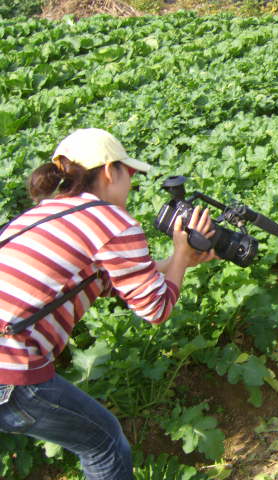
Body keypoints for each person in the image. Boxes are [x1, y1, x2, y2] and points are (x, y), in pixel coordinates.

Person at [0, 128, 217, 479]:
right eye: (129, 172)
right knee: (104, 442)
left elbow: (113, 279)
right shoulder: (112, 223)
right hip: (8, 369)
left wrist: (180, 261)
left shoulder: (41, 214)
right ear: (107, 171)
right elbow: (156, 310)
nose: (130, 182)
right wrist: (179, 253)